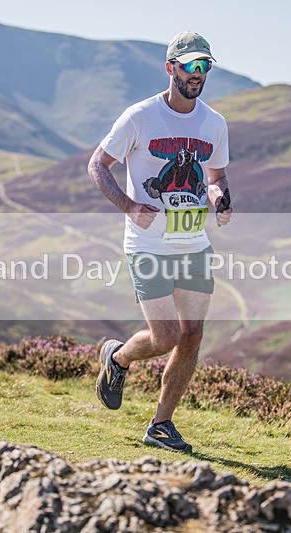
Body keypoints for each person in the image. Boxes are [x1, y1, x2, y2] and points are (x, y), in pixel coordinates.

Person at [88, 31, 233, 453]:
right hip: (147, 244)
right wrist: (129, 205)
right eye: (190, 65)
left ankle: (161, 425)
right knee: (166, 335)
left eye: (205, 66)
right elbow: (98, 165)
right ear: (171, 68)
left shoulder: (214, 123)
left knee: (192, 336)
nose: (198, 74)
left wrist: (220, 198)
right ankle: (117, 358)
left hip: (193, 245)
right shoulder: (139, 117)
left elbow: (216, 176)